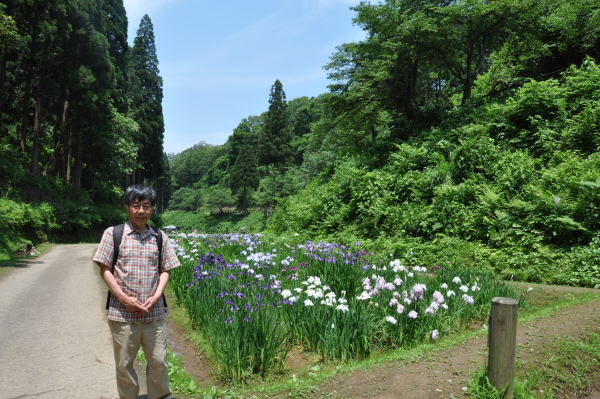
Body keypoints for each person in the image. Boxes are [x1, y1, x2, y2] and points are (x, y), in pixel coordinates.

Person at [93, 184, 180, 399]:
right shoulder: (113, 234)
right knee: (124, 364)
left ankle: (160, 396)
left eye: (146, 206)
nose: (141, 210)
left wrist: (157, 295)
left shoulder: (159, 237)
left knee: (159, 361)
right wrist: (124, 299)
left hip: (154, 312)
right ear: (127, 207)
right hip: (122, 314)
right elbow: (105, 269)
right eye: (136, 205)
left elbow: (166, 269)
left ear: (152, 209)